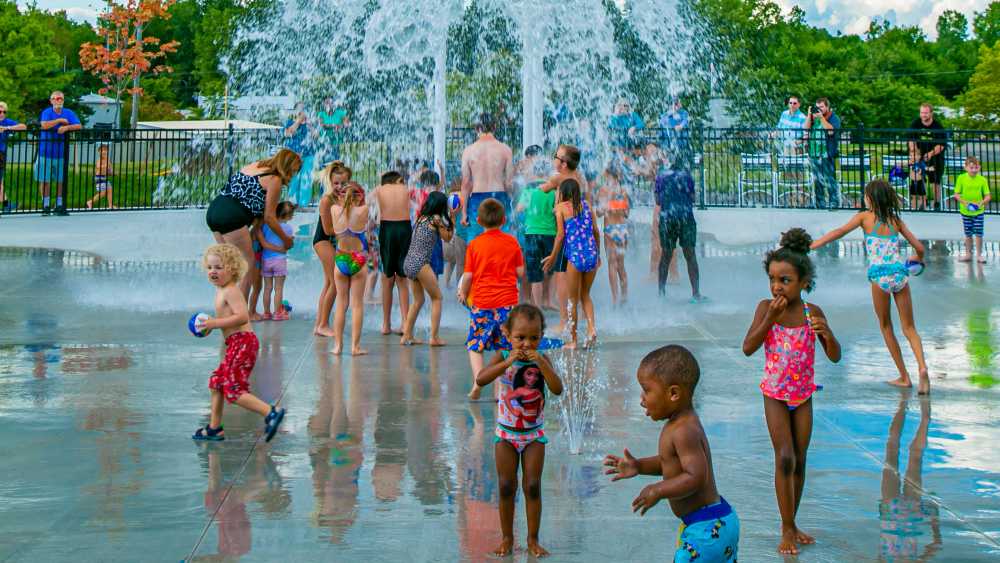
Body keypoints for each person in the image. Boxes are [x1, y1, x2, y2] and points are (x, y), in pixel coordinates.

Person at [742, 228, 841, 555]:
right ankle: (785, 527)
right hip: (774, 394)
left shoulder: (813, 313)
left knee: (799, 459)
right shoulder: (765, 308)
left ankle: (793, 521)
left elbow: (835, 355)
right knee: (784, 456)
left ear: (803, 282)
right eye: (772, 279)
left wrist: (827, 334)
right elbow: (748, 347)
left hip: (803, 396)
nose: (776, 286)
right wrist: (769, 318)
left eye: (785, 280)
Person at [603, 345, 740, 563]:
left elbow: (695, 476)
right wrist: (638, 466)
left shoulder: (683, 430)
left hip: (707, 529)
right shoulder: (679, 424)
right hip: (713, 523)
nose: (642, 399)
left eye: (647, 390)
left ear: (673, 393)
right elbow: (669, 463)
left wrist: (658, 490)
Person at [811, 179, 930, 394]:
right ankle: (922, 367)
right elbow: (919, 247)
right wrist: (917, 257)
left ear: (870, 198)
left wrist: (813, 245)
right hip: (900, 274)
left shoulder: (864, 217)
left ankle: (904, 376)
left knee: (886, 326)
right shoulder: (895, 220)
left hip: (879, 277)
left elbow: (839, 232)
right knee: (910, 328)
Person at [474, 304, 563, 558]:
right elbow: (481, 379)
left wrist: (542, 364)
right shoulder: (503, 355)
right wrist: (507, 361)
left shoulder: (542, 358)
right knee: (505, 485)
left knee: (532, 485)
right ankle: (506, 538)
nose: (526, 344)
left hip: (534, 435)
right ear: (507, 334)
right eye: (520, 338)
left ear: (541, 337)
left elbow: (557, 389)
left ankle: (533, 539)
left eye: (534, 338)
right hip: (506, 434)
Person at [191, 243, 286, 443]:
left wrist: (214, 323)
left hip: (243, 343)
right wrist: (209, 327)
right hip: (235, 344)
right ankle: (215, 428)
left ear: (232, 269)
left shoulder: (231, 290)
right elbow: (228, 320)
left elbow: (242, 317)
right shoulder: (221, 290)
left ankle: (271, 412)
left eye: (218, 267)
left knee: (233, 389)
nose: (213, 272)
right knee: (217, 381)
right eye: (210, 268)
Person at [205, 148, 300, 297]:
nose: (293, 175)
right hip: (231, 217)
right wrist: (285, 239)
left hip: (214, 210)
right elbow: (270, 217)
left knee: (229, 264)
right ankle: (241, 312)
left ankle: (225, 305)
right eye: (294, 171)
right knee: (247, 265)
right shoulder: (275, 180)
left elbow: (251, 200)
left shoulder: (256, 166)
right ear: (288, 167)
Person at [459, 198, 524, 401]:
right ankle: (499, 392)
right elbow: (521, 273)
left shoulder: (475, 245)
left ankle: (478, 381)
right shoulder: (512, 242)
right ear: (504, 220)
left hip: (482, 304)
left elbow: (468, 276)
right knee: (504, 348)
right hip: (507, 305)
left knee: (475, 344)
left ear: (478, 220)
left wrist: (463, 292)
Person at [542, 178, 600, 350]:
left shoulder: (560, 208)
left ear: (563, 192)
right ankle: (591, 329)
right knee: (586, 295)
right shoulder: (587, 205)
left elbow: (560, 236)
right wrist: (598, 255)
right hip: (591, 254)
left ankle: (573, 341)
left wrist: (553, 257)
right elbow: (596, 232)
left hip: (575, 257)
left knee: (572, 300)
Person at [400, 191, 454, 346]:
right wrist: (453, 218)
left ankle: (407, 336)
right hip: (420, 263)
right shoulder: (436, 219)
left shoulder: (421, 218)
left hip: (409, 262)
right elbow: (448, 238)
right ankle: (434, 337)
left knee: (418, 300)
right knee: (437, 298)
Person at [330, 182, 371, 356]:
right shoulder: (363, 211)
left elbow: (335, 200)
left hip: (340, 259)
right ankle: (355, 347)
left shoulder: (333, 210)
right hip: (358, 259)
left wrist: (338, 195)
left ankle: (338, 346)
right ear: (359, 196)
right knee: (357, 305)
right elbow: (369, 200)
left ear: (341, 195)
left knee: (341, 304)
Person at [460, 113, 514, 242]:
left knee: (476, 242)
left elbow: (466, 183)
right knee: (502, 240)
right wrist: (512, 205)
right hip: (499, 197)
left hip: (477, 200)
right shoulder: (505, 149)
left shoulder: (468, 151)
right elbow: (509, 183)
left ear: (476, 128)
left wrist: (464, 213)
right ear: (495, 127)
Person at [654, 166, 704, 302]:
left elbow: (658, 200)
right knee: (690, 255)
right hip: (685, 217)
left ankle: (661, 293)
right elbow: (693, 198)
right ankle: (696, 294)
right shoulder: (686, 175)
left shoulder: (661, 175)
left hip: (667, 219)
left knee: (666, 254)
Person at [313, 161, 352, 336]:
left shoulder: (345, 198)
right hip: (323, 241)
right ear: (330, 182)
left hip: (333, 241)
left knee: (329, 283)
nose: (339, 186)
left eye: (343, 183)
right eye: (336, 183)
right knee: (336, 283)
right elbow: (328, 229)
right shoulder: (326, 200)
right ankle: (323, 324)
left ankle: (319, 324)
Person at [517, 156, 558, 310]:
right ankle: (549, 300)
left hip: (532, 233)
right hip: (550, 233)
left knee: (534, 273)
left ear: (535, 172)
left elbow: (519, 209)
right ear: (548, 173)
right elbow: (557, 210)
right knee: (549, 269)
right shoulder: (553, 190)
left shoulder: (529, 189)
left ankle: (538, 306)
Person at [374, 170, 412, 335]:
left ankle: (385, 324)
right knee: (402, 279)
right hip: (404, 228)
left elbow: (363, 201)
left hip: (387, 229)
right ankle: (405, 323)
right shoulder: (406, 189)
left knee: (387, 278)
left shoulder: (379, 189)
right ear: (397, 180)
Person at [37, 91, 82, 216]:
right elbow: (44, 125)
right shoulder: (47, 112)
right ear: (51, 101)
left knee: (60, 180)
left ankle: (59, 204)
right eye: (55, 98)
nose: (58, 101)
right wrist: (59, 121)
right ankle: (45, 205)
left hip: (61, 154)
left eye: (60, 98)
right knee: (44, 180)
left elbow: (79, 125)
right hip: (45, 152)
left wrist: (67, 127)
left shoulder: (69, 112)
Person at [597, 164, 630, 306]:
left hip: (610, 229)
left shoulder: (604, 190)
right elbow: (627, 213)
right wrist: (617, 206)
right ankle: (625, 296)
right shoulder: (623, 190)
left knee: (612, 264)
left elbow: (599, 213)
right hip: (622, 229)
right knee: (621, 264)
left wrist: (606, 207)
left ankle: (615, 299)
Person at [258, 201, 296, 321]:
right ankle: (277, 313)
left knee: (267, 288)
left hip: (266, 260)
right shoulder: (288, 228)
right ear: (288, 216)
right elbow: (289, 245)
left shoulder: (265, 226)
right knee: (278, 288)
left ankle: (266, 313)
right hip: (279, 260)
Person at [907, 104, 947, 210]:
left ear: (931, 113)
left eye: (925, 113)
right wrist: (914, 152)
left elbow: (941, 145)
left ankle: (937, 203)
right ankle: (923, 203)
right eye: (921, 112)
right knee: (919, 179)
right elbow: (911, 140)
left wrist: (930, 154)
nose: (923, 115)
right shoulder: (915, 123)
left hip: (935, 157)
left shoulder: (937, 126)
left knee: (935, 180)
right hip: (919, 155)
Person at [804, 98, 841, 210]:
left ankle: (833, 202)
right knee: (817, 179)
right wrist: (809, 115)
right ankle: (820, 203)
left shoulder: (833, 117)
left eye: (821, 107)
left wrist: (822, 118)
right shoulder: (814, 118)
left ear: (827, 107)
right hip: (814, 152)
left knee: (829, 179)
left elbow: (831, 131)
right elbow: (806, 128)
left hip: (827, 153)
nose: (819, 109)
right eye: (817, 107)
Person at [952, 156, 991, 263]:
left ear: (980, 167)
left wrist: (981, 203)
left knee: (979, 233)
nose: (974, 170)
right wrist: (965, 203)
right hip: (966, 211)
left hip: (979, 211)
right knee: (968, 233)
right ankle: (968, 254)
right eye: (971, 167)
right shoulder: (961, 178)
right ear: (966, 168)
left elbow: (988, 196)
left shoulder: (982, 180)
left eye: (976, 168)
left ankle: (979, 255)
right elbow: (956, 194)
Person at [284, 103, 318, 207]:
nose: (302, 111)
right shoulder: (289, 122)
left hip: (308, 155)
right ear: (295, 111)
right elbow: (288, 133)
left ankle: (303, 205)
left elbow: (316, 136)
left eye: (304, 108)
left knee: (306, 179)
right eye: (300, 108)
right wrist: (298, 121)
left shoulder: (310, 124)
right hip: (294, 155)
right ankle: (291, 203)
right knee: (294, 178)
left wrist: (309, 124)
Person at [0, 101, 27, 215]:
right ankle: (6, 205)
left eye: (4, 112)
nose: (2, 114)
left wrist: (7, 128)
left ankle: (6, 205)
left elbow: (23, 127)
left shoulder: (6, 122)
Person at [443, 178, 467, 288]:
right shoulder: (465, 195)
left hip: (458, 234)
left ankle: (459, 288)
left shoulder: (452, 197)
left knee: (458, 263)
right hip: (468, 233)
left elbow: (451, 215)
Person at [317, 97, 349, 162]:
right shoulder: (321, 114)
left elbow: (347, 124)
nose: (329, 104)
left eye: (330, 102)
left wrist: (340, 126)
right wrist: (334, 125)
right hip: (325, 140)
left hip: (338, 140)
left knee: (337, 161)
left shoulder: (340, 113)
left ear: (333, 103)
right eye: (326, 103)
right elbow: (321, 125)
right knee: (325, 161)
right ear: (324, 104)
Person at [85, 144, 115, 210]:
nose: (104, 152)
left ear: (107, 151)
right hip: (99, 178)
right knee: (103, 193)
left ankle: (110, 205)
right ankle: (90, 202)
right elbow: (98, 167)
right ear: (99, 152)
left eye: (105, 150)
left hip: (104, 178)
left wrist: (112, 172)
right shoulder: (100, 160)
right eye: (102, 150)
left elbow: (109, 171)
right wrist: (105, 166)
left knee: (110, 189)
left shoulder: (108, 160)